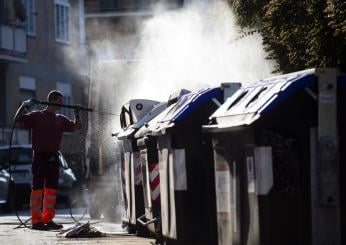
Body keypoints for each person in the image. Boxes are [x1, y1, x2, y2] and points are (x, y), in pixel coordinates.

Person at [14, 90, 82, 230]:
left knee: (51, 191)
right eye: (60, 101)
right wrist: (25, 105)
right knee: (38, 189)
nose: (62, 104)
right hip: (39, 158)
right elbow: (17, 119)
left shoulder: (61, 119)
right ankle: (36, 221)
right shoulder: (37, 116)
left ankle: (48, 219)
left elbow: (77, 127)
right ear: (53, 100)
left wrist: (77, 113)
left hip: (53, 158)